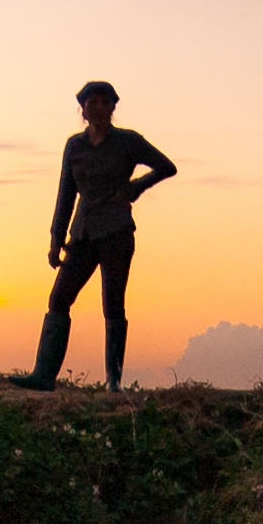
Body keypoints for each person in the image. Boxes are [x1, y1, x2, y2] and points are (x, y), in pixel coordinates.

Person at [23, 82, 175, 389]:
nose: (97, 108)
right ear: (83, 109)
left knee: (113, 303)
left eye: (104, 103)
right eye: (91, 103)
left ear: (113, 108)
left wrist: (134, 188)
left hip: (116, 231)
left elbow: (166, 167)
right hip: (82, 234)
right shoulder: (74, 146)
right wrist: (56, 239)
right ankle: (43, 375)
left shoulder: (128, 141)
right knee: (59, 298)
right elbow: (65, 194)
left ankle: (113, 381)